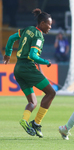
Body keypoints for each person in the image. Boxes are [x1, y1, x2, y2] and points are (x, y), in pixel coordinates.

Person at [3, 8, 56, 138]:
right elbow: (33, 55)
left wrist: (8, 54)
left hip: (18, 68)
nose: (50, 27)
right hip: (27, 67)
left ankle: (24, 120)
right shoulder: (38, 36)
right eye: (48, 24)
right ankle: (36, 124)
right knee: (51, 92)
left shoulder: (28, 29)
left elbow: (11, 38)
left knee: (33, 102)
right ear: (42, 23)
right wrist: (46, 62)